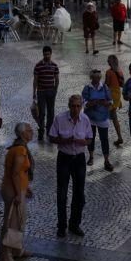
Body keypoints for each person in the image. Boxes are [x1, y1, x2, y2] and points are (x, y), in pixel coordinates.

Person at [48, 94, 94, 237]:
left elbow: (89, 138)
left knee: (79, 193)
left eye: (78, 106)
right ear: (69, 106)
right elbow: (51, 137)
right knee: (62, 193)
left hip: (79, 158)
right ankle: (61, 225)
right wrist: (64, 140)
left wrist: (84, 142)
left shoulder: (85, 119)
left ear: (81, 106)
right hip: (64, 158)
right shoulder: (60, 119)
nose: (75, 109)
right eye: (73, 106)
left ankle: (75, 224)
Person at [0, 122, 35, 261]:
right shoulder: (20, 150)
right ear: (22, 133)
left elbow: (21, 173)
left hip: (17, 188)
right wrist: (18, 194)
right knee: (12, 223)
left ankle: (16, 249)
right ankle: (6, 256)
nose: (32, 132)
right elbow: (15, 173)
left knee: (17, 221)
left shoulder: (20, 147)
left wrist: (25, 187)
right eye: (29, 130)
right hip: (13, 190)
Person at [82, 69, 114, 171]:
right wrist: (90, 104)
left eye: (98, 77)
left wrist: (106, 103)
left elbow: (111, 101)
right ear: (91, 78)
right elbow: (83, 103)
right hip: (90, 118)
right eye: (95, 77)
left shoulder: (104, 87)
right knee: (91, 138)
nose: (97, 79)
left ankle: (106, 160)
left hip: (102, 117)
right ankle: (91, 156)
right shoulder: (87, 88)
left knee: (104, 139)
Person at [32, 46, 60, 141]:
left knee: (51, 112)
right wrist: (34, 92)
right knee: (42, 112)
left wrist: (55, 90)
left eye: (48, 54)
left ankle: (49, 130)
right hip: (41, 92)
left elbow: (56, 79)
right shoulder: (38, 65)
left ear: (51, 54)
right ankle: (41, 130)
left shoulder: (54, 66)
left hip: (51, 91)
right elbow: (35, 80)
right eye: (45, 54)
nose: (47, 56)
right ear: (43, 54)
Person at [105, 55, 126, 147]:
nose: (107, 62)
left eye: (108, 61)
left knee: (106, 118)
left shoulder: (109, 72)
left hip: (110, 96)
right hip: (117, 95)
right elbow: (122, 84)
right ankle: (119, 137)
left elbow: (107, 84)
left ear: (110, 62)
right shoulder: (120, 71)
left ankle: (117, 137)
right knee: (114, 118)